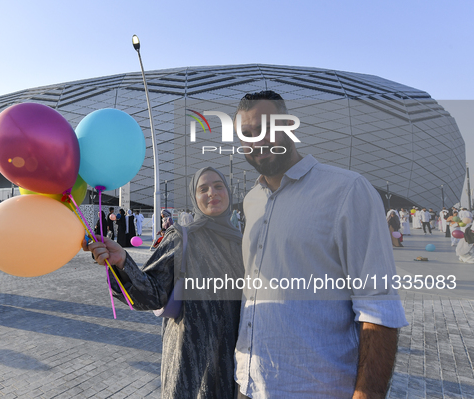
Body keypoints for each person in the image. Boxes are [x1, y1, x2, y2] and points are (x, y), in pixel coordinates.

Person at [233, 91, 407, 398]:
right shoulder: (252, 201)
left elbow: (379, 307)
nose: (256, 140)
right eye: (247, 134)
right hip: (250, 385)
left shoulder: (346, 191)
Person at [84, 167, 244, 398]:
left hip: (232, 361)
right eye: (203, 189)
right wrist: (122, 262)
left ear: (228, 192)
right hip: (190, 363)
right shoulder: (181, 237)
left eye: (219, 186)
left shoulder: (242, 242)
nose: (212, 193)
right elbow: (153, 293)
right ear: (194, 197)